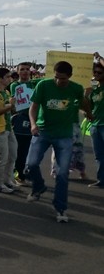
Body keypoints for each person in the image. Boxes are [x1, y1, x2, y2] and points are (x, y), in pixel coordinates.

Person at [26, 60, 92, 223]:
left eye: (62, 79)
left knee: (62, 173)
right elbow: (33, 107)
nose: (58, 81)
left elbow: (83, 102)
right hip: (43, 131)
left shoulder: (76, 88)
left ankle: (60, 208)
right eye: (56, 77)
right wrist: (33, 124)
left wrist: (89, 112)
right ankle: (39, 186)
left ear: (69, 77)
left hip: (64, 135)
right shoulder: (44, 85)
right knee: (31, 164)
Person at [10, 62, 40, 185]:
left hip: (35, 120)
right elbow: (15, 104)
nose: (25, 71)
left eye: (27, 69)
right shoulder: (15, 85)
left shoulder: (36, 83)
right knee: (20, 149)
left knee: (31, 150)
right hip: (21, 120)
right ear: (18, 72)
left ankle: (25, 173)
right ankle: (18, 175)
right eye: (22, 69)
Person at [88, 53, 104, 188]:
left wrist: (99, 59)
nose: (96, 74)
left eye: (99, 72)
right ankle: (101, 180)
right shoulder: (94, 88)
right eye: (95, 72)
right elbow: (88, 106)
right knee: (99, 156)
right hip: (95, 125)